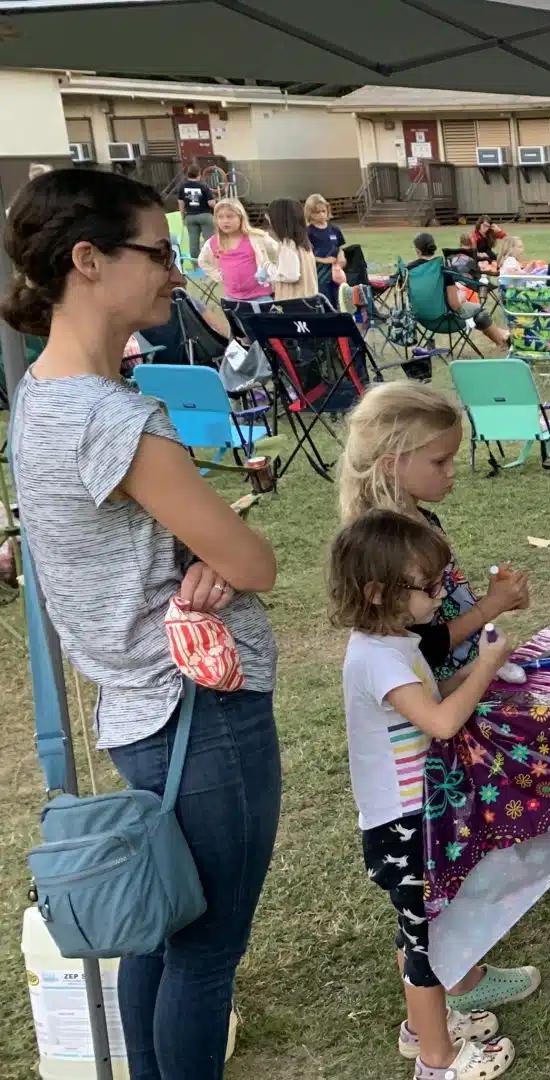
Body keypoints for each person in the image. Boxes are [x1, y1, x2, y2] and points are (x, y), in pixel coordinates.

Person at [6, 167, 280, 1080]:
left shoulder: (39, 395)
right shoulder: (113, 417)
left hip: (135, 710)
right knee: (205, 951)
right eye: (159, 254)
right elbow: (255, 563)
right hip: (200, 711)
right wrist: (220, 555)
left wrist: (201, 555)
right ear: (88, 260)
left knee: (163, 933)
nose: (176, 273)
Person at [328, 510, 519, 1080]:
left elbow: (431, 696)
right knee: (427, 942)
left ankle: (422, 1029)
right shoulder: (378, 658)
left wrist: (480, 673)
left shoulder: (395, 641)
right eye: (429, 586)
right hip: (403, 824)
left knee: (416, 927)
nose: (440, 595)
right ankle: (437, 1061)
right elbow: (440, 721)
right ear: (377, 592)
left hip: (409, 816)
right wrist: (485, 665)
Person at [338, 382, 535, 689]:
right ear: (391, 465)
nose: (452, 471)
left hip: (467, 678)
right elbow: (424, 645)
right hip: (438, 694)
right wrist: (490, 606)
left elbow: (443, 608)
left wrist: (497, 598)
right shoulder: (389, 548)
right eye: (440, 461)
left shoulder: (423, 522)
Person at [406, 234, 510, 350]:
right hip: (445, 320)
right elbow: (455, 305)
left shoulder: (408, 271)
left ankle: (502, 337)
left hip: (421, 318)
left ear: (418, 251)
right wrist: (462, 299)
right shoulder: (443, 270)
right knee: (480, 313)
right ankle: (501, 343)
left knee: (472, 310)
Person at [198, 196, 274, 305]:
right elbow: (203, 261)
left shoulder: (257, 237)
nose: (225, 221)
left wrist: (270, 272)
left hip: (261, 296)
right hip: (232, 297)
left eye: (230, 216)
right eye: (220, 217)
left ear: (241, 217)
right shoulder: (213, 242)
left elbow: (278, 253)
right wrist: (218, 275)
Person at [263, 197, 317, 302]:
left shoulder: (288, 246)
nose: (271, 225)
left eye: (271, 221)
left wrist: (268, 268)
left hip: (292, 303)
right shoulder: (302, 244)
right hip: (308, 300)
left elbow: (290, 275)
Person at [305, 194, 348, 306]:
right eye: (316, 212)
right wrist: (323, 260)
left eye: (323, 211)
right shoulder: (308, 232)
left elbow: (339, 247)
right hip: (320, 274)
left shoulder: (334, 229)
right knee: (325, 300)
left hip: (336, 271)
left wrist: (341, 255)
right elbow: (306, 254)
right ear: (309, 213)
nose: (321, 215)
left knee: (340, 299)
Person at [177, 164, 216, 257]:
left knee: (193, 242)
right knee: (209, 241)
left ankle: (195, 263)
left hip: (190, 216)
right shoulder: (203, 186)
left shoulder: (182, 187)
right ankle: (210, 260)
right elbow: (211, 203)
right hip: (205, 215)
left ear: (187, 174)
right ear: (199, 174)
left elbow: (181, 203)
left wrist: (183, 217)